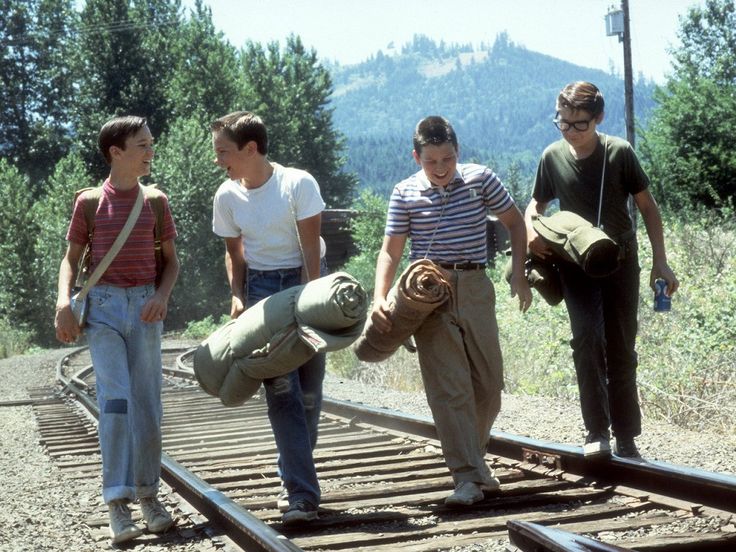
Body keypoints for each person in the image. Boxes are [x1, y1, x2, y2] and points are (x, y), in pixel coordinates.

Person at [371, 115, 532, 507]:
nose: (441, 168)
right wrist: (380, 297)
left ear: (458, 152)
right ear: (416, 157)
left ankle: (473, 464)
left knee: (489, 387)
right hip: (429, 291)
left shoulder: (481, 180)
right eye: (431, 161)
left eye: (447, 159)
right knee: (451, 389)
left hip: (476, 285)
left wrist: (519, 275)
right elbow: (390, 250)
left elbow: (515, 223)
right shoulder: (404, 193)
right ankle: (466, 477)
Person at [525, 81, 679, 459]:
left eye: (581, 124)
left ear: (598, 118)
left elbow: (648, 209)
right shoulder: (551, 157)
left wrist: (660, 261)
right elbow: (534, 206)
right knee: (586, 341)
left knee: (621, 347)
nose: (572, 133)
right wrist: (531, 233)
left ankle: (627, 436)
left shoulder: (619, 153)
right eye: (563, 124)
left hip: (622, 262)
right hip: (576, 266)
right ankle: (597, 432)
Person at [54, 115, 180, 544]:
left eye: (150, 144)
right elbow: (71, 261)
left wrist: (161, 296)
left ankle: (149, 498)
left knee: (148, 407)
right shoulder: (89, 202)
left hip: (145, 308)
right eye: (142, 145)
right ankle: (117, 504)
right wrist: (62, 303)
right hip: (104, 309)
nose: (150, 152)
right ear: (117, 152)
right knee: (116, 402)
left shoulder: (157, 202)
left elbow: (173, 263)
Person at [210, 111, 327, 525]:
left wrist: (314, 300)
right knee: (282, 391)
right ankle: (301, 495)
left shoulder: (297, 183)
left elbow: (310, 247)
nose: (218, 160)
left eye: (223, 151)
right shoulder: (226, 195)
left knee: (309, 394)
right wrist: (238, 296)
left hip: (305, 281)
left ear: (251, 148)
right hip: (261, 291)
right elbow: (234, 252)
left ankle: (294, 476)